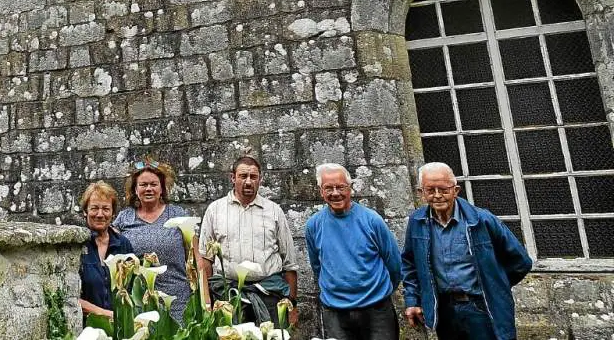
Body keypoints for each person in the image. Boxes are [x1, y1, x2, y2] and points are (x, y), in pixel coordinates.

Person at [402, 162, 532, 340]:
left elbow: (521, 262)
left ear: (455, 190)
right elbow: (409, 264)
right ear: (421, 193)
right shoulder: (417, 222)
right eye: (430, 190)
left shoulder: (481, 220)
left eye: (444, 189)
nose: (437, 196)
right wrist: (412, 300)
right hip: (444, 311)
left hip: (481, 308)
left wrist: (495, 284)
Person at [198, 154, 299, 327]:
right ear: (233, 178)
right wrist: (207, 301)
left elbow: (289, 263)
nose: (248, 182)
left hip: (269, 295)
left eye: (253, 177)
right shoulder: (215, 210)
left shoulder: (274, 211)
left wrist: (292, 304)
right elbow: (205, 259)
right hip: (228, 297)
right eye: (243, 176)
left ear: (260, 179)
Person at [305, 163, 401, 340]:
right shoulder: (313, 225)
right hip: (335, 312)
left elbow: (394, 263)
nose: (335, 193)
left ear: (350, 188)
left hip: (377, 310)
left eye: (340, 187)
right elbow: (317, 266)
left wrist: (379, 293)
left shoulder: (372, 220)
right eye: (328, 188)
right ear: (321, 192)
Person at [111, 161, 191, 321]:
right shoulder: (124, 218)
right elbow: (114, 258)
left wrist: (206, 299)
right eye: (143, 185)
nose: (148, 189)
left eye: (154, 184)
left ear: (162, 189)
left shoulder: (178, 215)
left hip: (177, 299)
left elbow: (195, 259)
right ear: (135, 189)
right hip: (139, 301)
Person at [79, 181, 134, 319]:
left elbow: (132, 290)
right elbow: (70, 298)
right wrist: (107, 315)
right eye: (94, 208)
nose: (100, 214)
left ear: (113, 213)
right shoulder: (77, 246)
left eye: (106, 209)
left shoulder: (123, 245)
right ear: (85, 212)